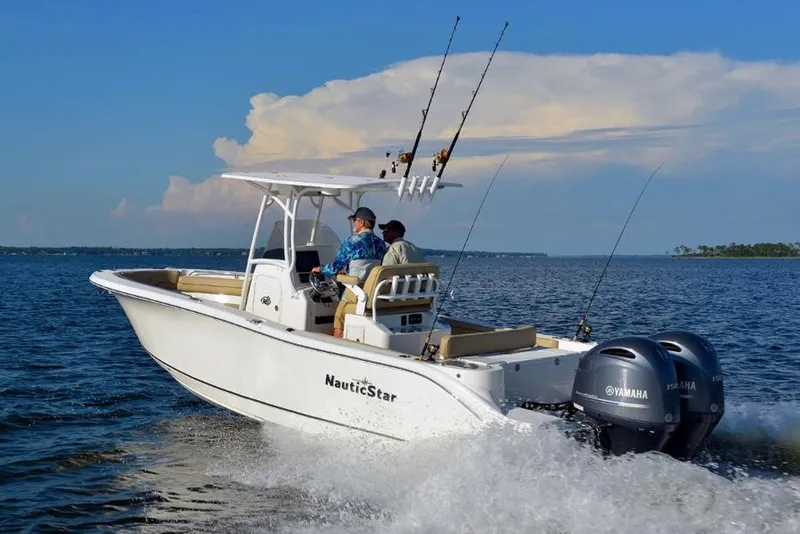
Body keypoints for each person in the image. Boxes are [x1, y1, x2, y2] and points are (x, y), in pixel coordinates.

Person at [311, 206, 387, 338]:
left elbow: (333, 268)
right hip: (372, 291)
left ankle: (337, 347)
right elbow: (366, 266)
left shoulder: (351, 242)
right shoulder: (381, 244)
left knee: (339, 318)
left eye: (355, 221)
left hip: (354, 293)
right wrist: (347, 271)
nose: (354, 223)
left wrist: (319, 269)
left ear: (361, 222)